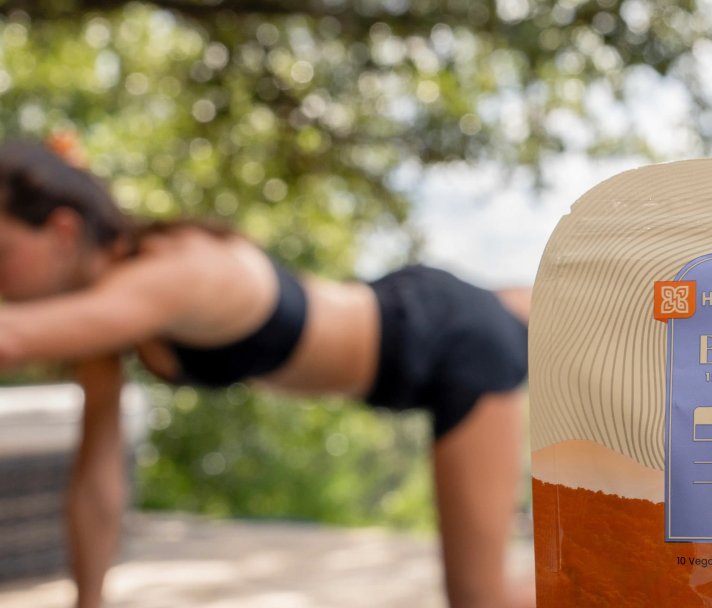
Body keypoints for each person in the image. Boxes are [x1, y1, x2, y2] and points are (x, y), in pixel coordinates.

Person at [0, 139, 534, 608]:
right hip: (413, 312)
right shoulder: (111, 321)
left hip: (450, 342)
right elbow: (97, 480)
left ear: (64, 231)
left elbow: (13, 336)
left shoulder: (176, 270)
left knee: (479, 600)